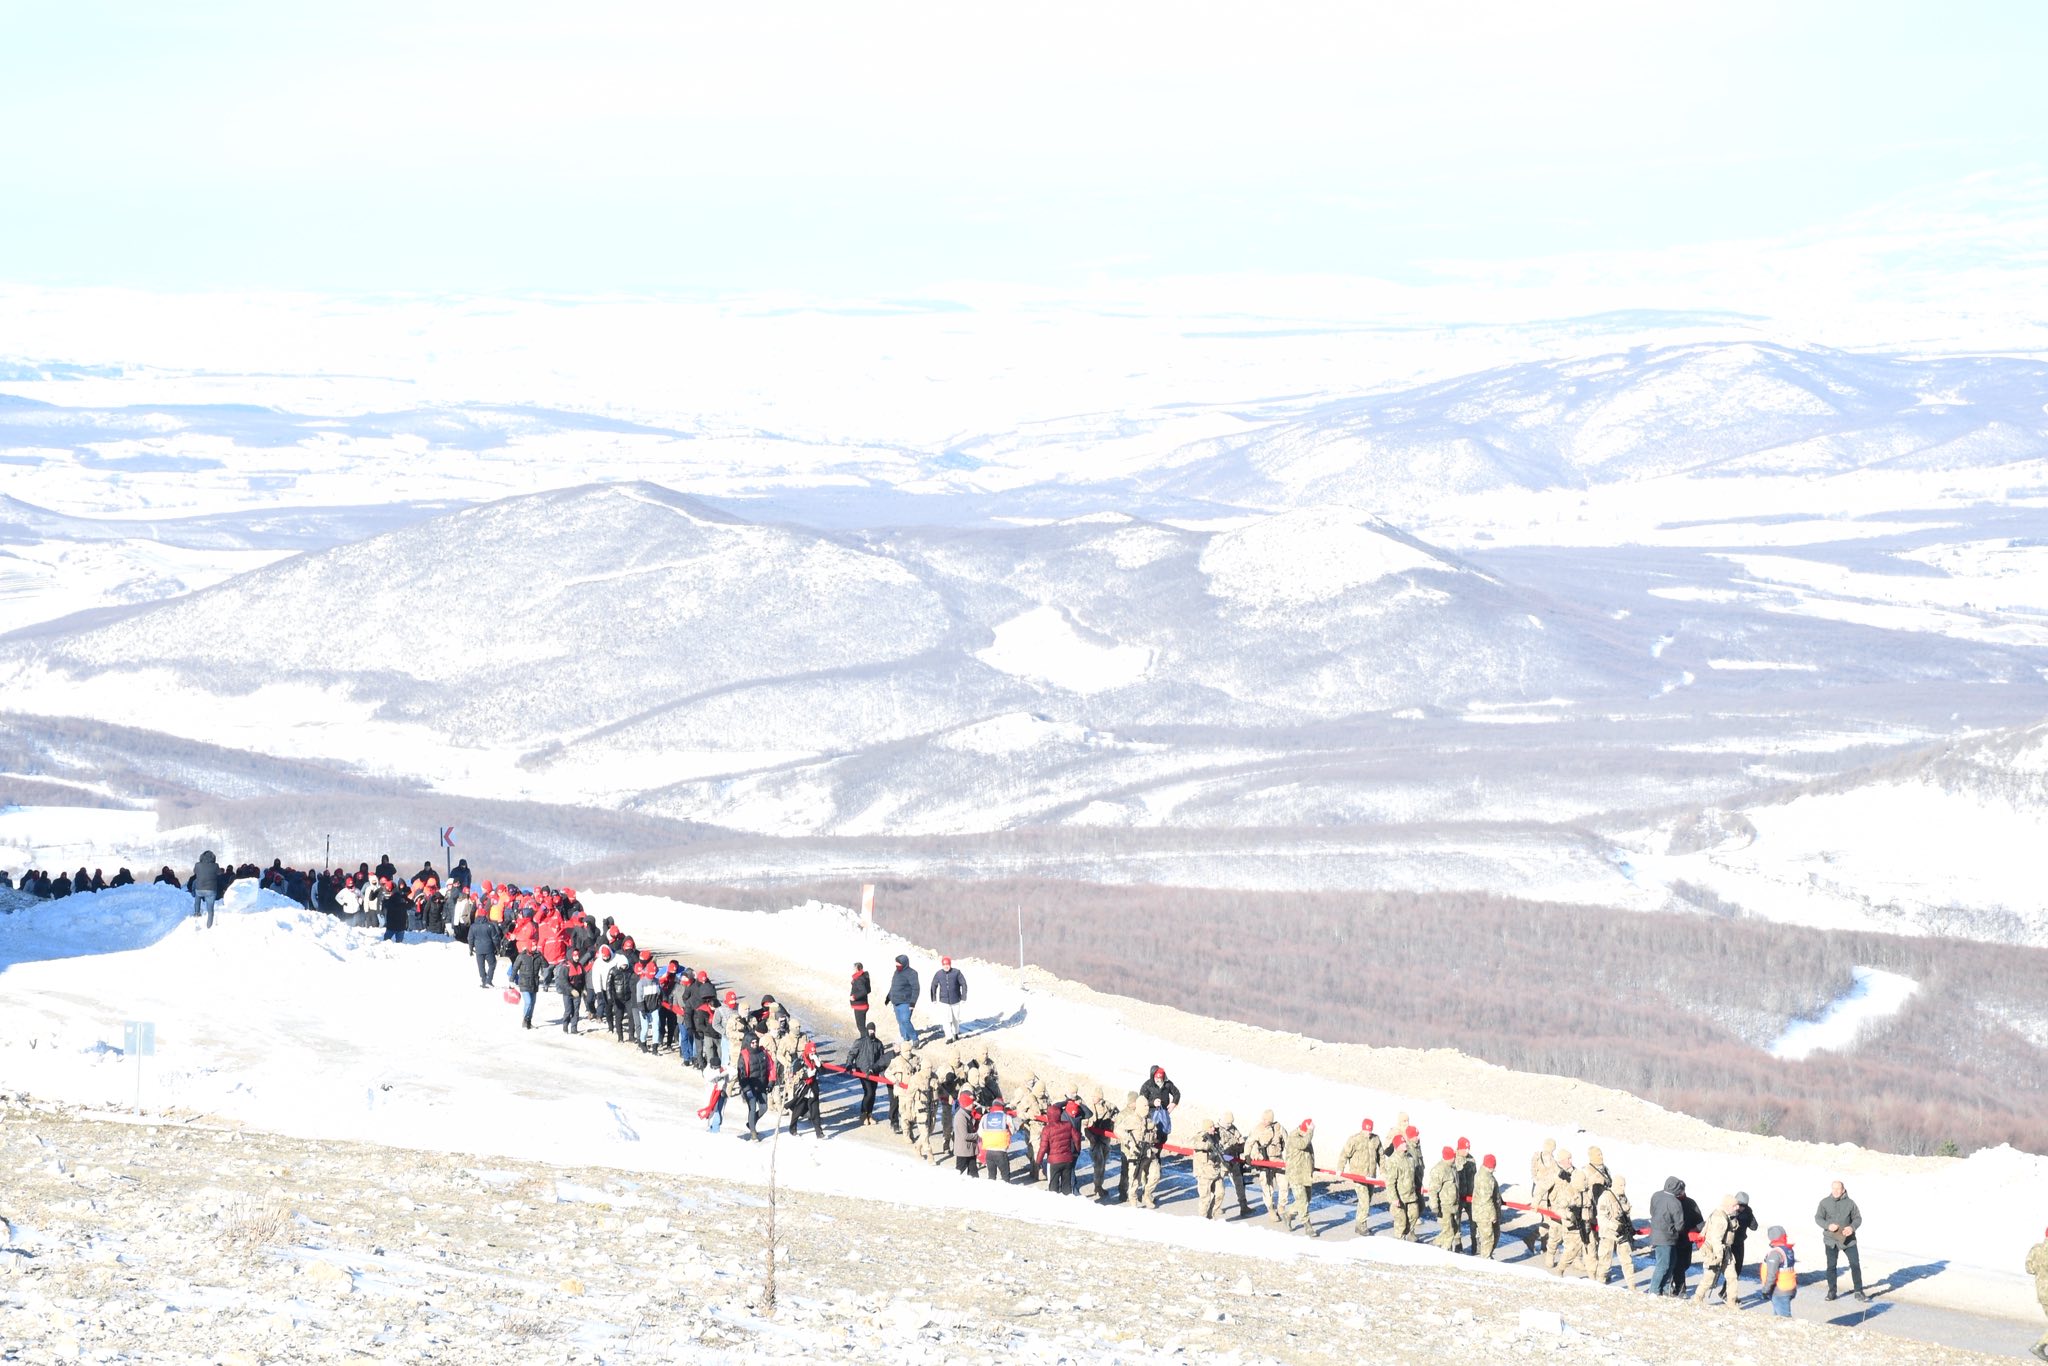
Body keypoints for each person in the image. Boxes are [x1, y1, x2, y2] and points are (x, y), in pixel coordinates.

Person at [1815, 1180, 1868, 1302]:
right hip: (1831, 1239)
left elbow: (1857, 1218)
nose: (1836, 1191)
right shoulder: (1824, 1203)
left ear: (1843, 1190)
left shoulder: (1850, 1203)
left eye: (1838, 1189)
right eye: (1834, 1189)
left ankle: (1858, 1291)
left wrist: (1851, 1227)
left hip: (1848, 1240)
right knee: (1831, 1266)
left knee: (1855, 1264)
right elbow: (1818, 1218)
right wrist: (1828, 1225)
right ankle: (1832, 1292)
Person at [1693, 1193, 1740, 1308]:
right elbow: (1716, 1239)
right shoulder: (1719, 1218)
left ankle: (1731, 1303)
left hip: (1725, 1250)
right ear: (1728, 1206)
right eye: (1734, 1206)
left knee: (1732, 1276)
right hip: (1714, 1251)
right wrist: (1718, 1256)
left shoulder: (1726, 1215)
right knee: (1709, 1277)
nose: (1737, 1208)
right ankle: (1697, 1298)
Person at [1591, 1175, 1637, 1289]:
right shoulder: (1605, 1197)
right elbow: (1601, 1219)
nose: (1623, 1188)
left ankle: (1632, 1285)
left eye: (1624, 1185)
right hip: (1608, 1234)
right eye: (1621, 1185)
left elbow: (1627, 1214)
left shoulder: (1623, 1197)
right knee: (1605, 1262)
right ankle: (1600, 1283)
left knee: (1627, 1260)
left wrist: (1630, 1228)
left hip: (1622, 1234)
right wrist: (1615, 1226)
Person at [1337, 1119, 1382, 1236]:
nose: (1368, 1133)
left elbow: (1381, 1156)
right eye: (1366, 1130)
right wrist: (1340, 1168)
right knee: (1364, 1200)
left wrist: (1384, 1170)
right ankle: (1362, 1225)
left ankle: (1359, 1223)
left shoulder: (1376, 1139)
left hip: (1371, 1175)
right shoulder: (1354, 1139)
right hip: (1358, 1175)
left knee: (1367, 1199)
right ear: (1362, 1129)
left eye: (1370, 1131)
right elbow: (1344, 1153)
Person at [734, 1031, 777, 1140]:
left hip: (762, 1085)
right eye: (752, 1043)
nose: (755, 1044)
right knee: (752, 1108)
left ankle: (751, 1123)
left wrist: (771, 1082)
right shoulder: (744, 1055)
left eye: (756, 1042)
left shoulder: (763, 1052)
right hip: (749, 1087)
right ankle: (753, 1132)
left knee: (764, 1107)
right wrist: (746, 1088)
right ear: (748, 1043)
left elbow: (771, 1067)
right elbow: (741, 1073)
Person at [1650, 1177, 1689, 1296]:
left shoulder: (1656, 1195)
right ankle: (1654, 1290)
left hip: (1656, 1234)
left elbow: (1652, 1211)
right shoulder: (1675, 1202)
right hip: (1667, 1237)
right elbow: (1679, 1224)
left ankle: (1664, 1288)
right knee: (1664, 1265)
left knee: (1670, 1263)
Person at [1284, 1119, 1320, 1237]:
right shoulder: (1294, 1136)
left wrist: (1312, 1167)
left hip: (1305, 1174)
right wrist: (1310, 1131)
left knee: (1306, 1199)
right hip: (1295, 1175)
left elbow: (1310, 1154)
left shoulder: (1306, 1137)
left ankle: (1288, 1213)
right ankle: (1307, 1226)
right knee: (1302, 1201)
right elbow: (1303, 1144)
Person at [848, 1022, 888, 1126]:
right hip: (863, 1071)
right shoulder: (860, 1042)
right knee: (869, 1092)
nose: (871, 1032)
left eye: (873, 1030)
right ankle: (863, 1114)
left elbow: (882, 1060)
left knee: (873, 1094)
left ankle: (870, 1114)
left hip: (874, 1072)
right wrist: (849, 1064)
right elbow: (852, 1053)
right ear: (867, 1030)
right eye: (870, 1030)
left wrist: (883, 1073)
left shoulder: (879, 1044)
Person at [1085, 1089, 1120, 1203]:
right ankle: (1097, 1186)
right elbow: (1084, 1126)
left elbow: (1117, 1114)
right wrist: (1090, 1137)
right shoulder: (1090, 1108)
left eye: (1095, 1096)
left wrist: (1114, 1119)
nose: (1093, 1098)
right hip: (1095, 1141)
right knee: (1099, 1164)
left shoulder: (1107, 1106)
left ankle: (1099, 1185)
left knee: (1103, 1164)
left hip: (1105, 1140)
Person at [1041, 1100, 1082, 1196]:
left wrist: (1039, 1160)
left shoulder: (1048, 1129)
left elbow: (1043, 1146)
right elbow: (1077, 1137)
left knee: (1053, 1186)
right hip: (1067, 1155)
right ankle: (1067, 1199)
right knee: (1066, 1185)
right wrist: (1078, 1149)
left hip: (1054, 1159)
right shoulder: (1068, 1123)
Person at [1471, 1154, 1505, 1260]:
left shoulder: (1484, 1174)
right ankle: (1486, 1259)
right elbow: (1486, 1200)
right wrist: (1493, 1215)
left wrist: (1500, 1199)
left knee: (1493, 1235)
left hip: (1484, 1211)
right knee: (1488, 1238)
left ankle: (1487, 1256)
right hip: (1484, 1213)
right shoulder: (1485, 1178)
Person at [1428, 1146, 1461, 1251]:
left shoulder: (1452, 1167)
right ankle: (1444, 1249)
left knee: (1454, 1229)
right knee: (1449, 1231)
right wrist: (1434, 1206)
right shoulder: (1439, 1170)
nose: (1455, 1159)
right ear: (1449, 1157)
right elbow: (1433, 1190)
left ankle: (1437, 1244)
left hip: (1453, 1204)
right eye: (1453, 1157)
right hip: (1444, 1205)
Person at [1761, 1226, 1798, 1318]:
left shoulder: (1775, 1253)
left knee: (1784, 1318)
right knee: (1777, 1318)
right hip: (1789, 1287)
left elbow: (1771, 1275)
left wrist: (1765, 1290)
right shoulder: (1788, 1250)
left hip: (1780, 1290)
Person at [930, 955, 968, 1042]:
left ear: (950, 964)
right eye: (944, 965)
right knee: (946, 1019)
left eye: (947, 964)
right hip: (944, 1001)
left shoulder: (956, 973)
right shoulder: (938, 974)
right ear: (942, 965)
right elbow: (933, 985)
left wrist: (963, 997)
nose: (946, 966)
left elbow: (964, 984)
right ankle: (949, 1037)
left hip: (956, 999)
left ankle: (955, 1033)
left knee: (955, 1018)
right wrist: (934, 998)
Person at [2025, 1225, 2048, 1361]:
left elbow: (2029, 1268)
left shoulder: (2037, 1249)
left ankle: (2039, 1346)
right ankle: (2039, 1345)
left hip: (2042, 1293)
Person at [979, 1101, 1018, 1181]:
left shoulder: (985, 1117)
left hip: (988, 1152)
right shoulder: (1006, 1117)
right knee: (1005, 1177)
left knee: (991, 1177)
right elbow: (1013, 1131)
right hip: (1001, 1152)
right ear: (1002, 1107)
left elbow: (980, 1133)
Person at [886, 954, 920, 1043]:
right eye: (896, 963)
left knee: (905, 1021)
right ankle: (905, 1038)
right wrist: (889, 997)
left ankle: (915, 1039)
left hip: (906, 1002)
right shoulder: (896, 972)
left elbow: (916, 989)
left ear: (904, 963)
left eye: (898, 963)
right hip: (896, 1001)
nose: (896, 965)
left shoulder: (912, 973)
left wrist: (912, 1003)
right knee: (900, 1021)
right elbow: (893, 986)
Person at [187, 850, 222, 930]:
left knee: (197, 898)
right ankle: (209, 926)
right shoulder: (215, 866)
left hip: (199, 888)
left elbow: (195, 872)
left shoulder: (197, 865)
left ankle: (197, 913)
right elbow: (219, 873)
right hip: (211, 889)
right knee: (210, 909)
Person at [511, 947, 542, 1030]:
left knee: (532, 1003)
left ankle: (529, 1021)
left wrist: (541, 955)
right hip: (524, 982)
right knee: (528, 1002)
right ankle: (525, 1020)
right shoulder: (521, 956)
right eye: (533, 945)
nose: (534, 947)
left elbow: (545, 965)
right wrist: (511, 980)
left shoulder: (538, 956)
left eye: (535, 945)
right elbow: (514, 968)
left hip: (534, 983)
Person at [951, 1097, 979, 1176]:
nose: (973, 1104)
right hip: (963, 1150)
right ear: (967, 1104)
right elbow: (965, 1136)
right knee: (959, 1171)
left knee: (973, 1172)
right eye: (971, 1103)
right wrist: (978, 1135)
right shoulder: (960, 1117)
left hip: (969, 1149)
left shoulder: (966, 1113)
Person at [849, 961, 871, 1041]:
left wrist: (854, 997)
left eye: (854, 968)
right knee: (862, 1026)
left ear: (857, 969)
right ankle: (866, 1040)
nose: (853, 969)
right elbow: (868, 990)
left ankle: (866, 1042)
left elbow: (864, 991)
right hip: (863, 1005)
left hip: (860, 1006)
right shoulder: (864, 977)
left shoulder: (859, 979)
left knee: (861, 1027)